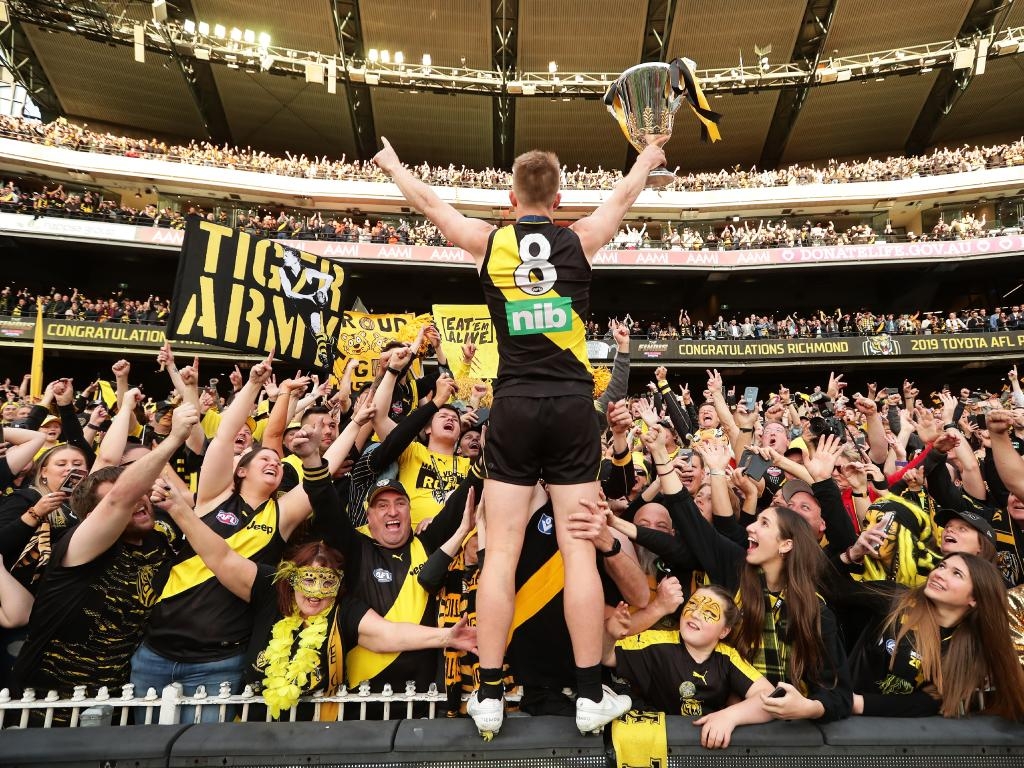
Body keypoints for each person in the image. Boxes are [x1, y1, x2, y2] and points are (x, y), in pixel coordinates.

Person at [373, 134, 666, 738]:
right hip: (569, 406)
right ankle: (590, 693)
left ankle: (486, 694)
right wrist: (648, 157)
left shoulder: (489, 241)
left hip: (511, 403)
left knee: (500, 552)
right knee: (580, 548)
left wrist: (395, 166)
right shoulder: (579, 238)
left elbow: (431, 205)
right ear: (558, 200)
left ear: (510, 199)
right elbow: (623, 198)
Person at [152, 470, 477, 721]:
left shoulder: (344, 610)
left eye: (326, 581)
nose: (317, 590)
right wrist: (181, 512)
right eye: (308, 578)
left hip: (317, 734)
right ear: (291, 576)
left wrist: (447, 635)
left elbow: (388, 634)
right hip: (250, 728)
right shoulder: (271, 588)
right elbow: (221, 557)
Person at [13, 403, 198, 720]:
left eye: (141, 492)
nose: (138, 500)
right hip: (45, 704)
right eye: (129, 494)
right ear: (89, 517)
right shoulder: (81, 545)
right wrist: (172, 439)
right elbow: (118, 499)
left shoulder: (161, 540)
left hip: (115, 701)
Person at [847, 554, 1024, 719]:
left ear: (975, 598)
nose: (939, 574)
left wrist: (859, 703)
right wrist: (850, 555)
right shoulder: (894, 598)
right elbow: (832, 590)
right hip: (839, 719)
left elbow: (928, 701)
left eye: (957, 574)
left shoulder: (970, 648)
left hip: (895, 738)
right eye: (941, 566)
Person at [605, 585, 775, 749]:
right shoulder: (656, 642)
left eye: (708, 612)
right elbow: (606, 657)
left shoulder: (728, 657)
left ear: (724, 631)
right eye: (692, 604)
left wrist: (729, 717)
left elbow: (770, 697)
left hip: (707, 749)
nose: (695, 613)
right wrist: (610, 635)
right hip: (659, 745)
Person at [277, 247, 335, 369]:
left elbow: (330, 278)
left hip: (311, 306)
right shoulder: (282, 270)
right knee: (314, 333)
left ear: (296, 258)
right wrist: (308, 297)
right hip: (295, 307)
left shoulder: (308, 271)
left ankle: (324, 355)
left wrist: (324, 289)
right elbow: (288, 293)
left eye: (286, 256)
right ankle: (330, 341)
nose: (284, 258)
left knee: (316, 327)